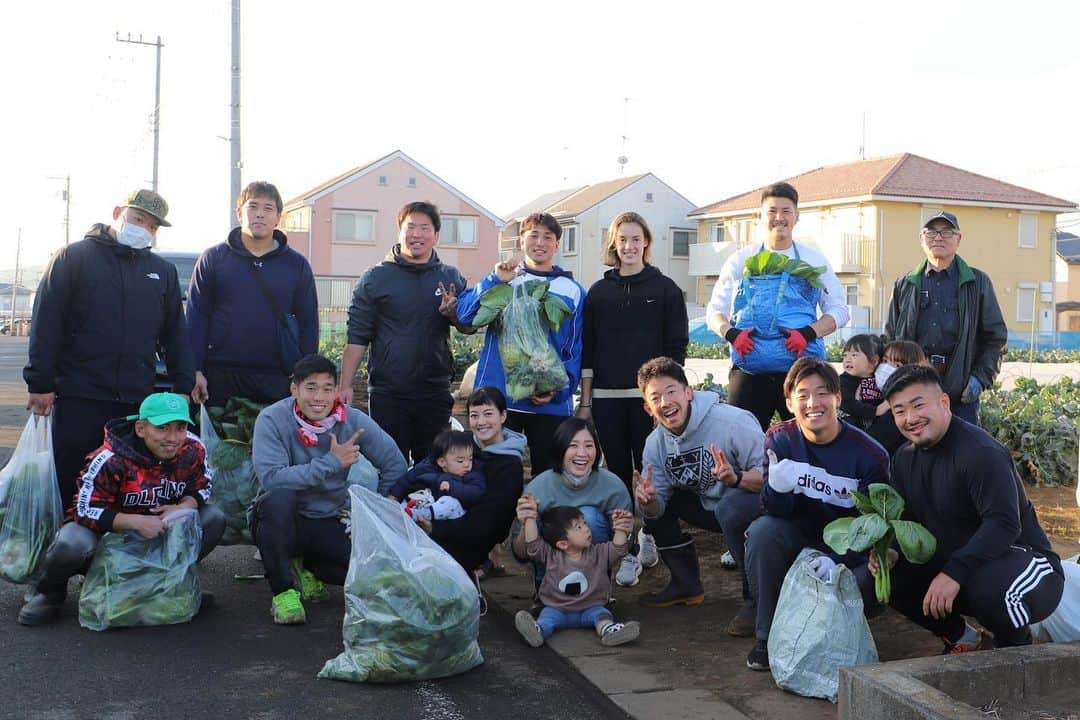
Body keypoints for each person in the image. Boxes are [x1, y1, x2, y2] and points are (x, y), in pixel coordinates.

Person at [23, 189, 194, 510]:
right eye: (138, 219)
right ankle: (70, 550)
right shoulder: (73, 258)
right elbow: (47, 324)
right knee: (73, 479)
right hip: (79, 395)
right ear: (118, 212)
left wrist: (183, 386)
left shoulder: (162, 272)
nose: (144, 229)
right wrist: (40, 382)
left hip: (135, 399)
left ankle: (118, 554)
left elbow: (175, 333)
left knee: (126, 482)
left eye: (153, 226)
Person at [876, 364, 1064, 652]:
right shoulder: (904, 457)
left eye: (918, 405)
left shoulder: (980, 453)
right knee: (891, 577)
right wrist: (890, 550)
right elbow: (908, 519)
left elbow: (1003, 525)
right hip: (964, 563)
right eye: (899, 411)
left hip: (1026, 563)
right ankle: (962, 639)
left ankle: (1016, 648)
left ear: (944, 402)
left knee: (990, 591)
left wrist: (954, 573)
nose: (910, 418)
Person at [18, 392, 225, 626]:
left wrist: (184, 506)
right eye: (162, 428)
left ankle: (170, 584)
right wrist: (134, 522)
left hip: (160, 532)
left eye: (180, 428)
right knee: (72, 542)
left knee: (213, 518)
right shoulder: (110, 458)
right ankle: (49, 592)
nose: (173, 437)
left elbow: (204, 484)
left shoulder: (193, 448)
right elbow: (83, 509)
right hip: (110, 538)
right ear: (140, 428)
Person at [742, 357, 890, 671]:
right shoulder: (779, 439)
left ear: (838, 398)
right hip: (799, 536)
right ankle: (767, 637)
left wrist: (840, 559)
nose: (813, 403)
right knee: (762, 532)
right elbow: (773, 511)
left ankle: (834, 639)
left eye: (823, 393)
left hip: (850, 549)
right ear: (789, 402)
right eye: (803, 394)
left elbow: (874, 526)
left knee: (865, 581)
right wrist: (778, 489)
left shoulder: (870, 454)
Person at [250, 354, 408, 625]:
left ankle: (307, 566)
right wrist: (331, 462)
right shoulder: (272, 419)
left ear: (337, 390)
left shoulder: (352, 421)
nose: (318, 397)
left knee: (357, 571)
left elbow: (395, 465)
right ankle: (284, 592)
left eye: (327, 388)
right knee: (278, 499)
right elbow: (272, 480)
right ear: (294, 389)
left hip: (327, 517)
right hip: (281, 519)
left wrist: (376, 511)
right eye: (310, 388)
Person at [578, 212, 688, 578]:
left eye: (636, 239)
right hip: (608, 398)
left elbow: (676, 347)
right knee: (618, 472)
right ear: (614, 244)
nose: (629, 246)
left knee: (652, 471)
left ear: (646, 243)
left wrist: (667, 399)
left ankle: (651, 533)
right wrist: (587, 401)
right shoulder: (598, 293)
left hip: (649, 403)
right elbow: (588, 351)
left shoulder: (665, 289)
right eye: (622, 239)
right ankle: (623, 546)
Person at [633, 358, 764, 633]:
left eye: (671, 391)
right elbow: (656, 511)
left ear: (688, 392)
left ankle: (756, 601)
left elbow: (772, 478)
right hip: (709, 505)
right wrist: (648, 502)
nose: (665, 401)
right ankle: (685, 584)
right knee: (655, 498)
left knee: (731, 506)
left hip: (752, 505)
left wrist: (736, 478)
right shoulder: (654, 445)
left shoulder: (733, 422)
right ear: (647, 408)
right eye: (655, 397)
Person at [338, 201, 473, 464]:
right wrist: (345, 385)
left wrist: (453, 314)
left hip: (434, 390)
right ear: (400, 231)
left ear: (436, 235)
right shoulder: (376, 278)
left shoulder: (450, 277)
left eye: (425, 228)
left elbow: (469, 326)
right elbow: (356, 337)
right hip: (389, 392)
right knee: (390, 465)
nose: (417, 234)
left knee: (433, 465)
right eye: (410, 227)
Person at [706, 182, 848, 431]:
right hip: (749, 371)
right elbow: (714, 310)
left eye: (786, 211)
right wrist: (732, 334)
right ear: (760, 217)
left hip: (801, 370)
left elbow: (839, 310)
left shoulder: (813, 260)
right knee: (740, 439)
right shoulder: (741, 260)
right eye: (772, 211)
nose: (779, 218)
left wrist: (808, 333)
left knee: (808, 439)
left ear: (797, 216)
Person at [457, 212, 585, 477]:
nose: (540, 242)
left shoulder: (571, 289)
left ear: (557, 245)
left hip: (548, 404)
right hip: (500, 400)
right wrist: (494, 280)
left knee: (549, 476)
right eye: (533, 235)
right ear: (522, 241)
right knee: (492, 476)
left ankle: (541, 520)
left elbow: (575, 348)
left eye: (547, 237)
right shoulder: (505, 279)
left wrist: (559, 391)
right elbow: (465, 316)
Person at [186, 181, 319, 406]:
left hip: (277, 376)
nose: (260, 215)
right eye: (253, 207)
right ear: (239, 213)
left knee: (274, 440)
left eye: (268, 209)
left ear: (278, 217)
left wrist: (304, 376)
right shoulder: (214, 258)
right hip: (219, 373)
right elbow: (196, 317)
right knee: (218, 440)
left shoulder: (296, 265)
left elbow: (308, 322)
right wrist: (195, 369)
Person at [884, 211, 1007, 426]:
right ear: (921, 239)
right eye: (931, 232)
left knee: (964, 453)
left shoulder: (977, 283)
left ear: (959, 239)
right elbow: (890, 338)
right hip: (913, 387)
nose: (938, 237)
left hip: (959, 390)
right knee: (914, 449)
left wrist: (979, 379)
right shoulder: (905, 284)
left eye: (947, 232)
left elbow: (996, 338)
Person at [509, 418, 632, 588]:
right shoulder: (538, 488)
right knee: (558, 520)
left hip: (594, 574)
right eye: (573, 446)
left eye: (589, 446)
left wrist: (624, 528)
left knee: (588, 516)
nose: (582, 453)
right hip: (550, 573)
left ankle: (596, 590)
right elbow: (520, 554)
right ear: (560, 448)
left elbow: (619, 550)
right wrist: (526, 523)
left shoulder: (613, 487)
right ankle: (545, 590)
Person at [420, 386, 526, 577]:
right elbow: (426, 469)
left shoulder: (510, 466)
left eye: (488, 414)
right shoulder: (462, 443)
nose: (481, 422)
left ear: (503, 416)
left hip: (468, 538)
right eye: (474, 415)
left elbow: (491, 524)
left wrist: (436, 527)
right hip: (432, 514)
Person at [513, 502, 640, 648]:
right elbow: (533, 544)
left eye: (585, 523)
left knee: (602, 616)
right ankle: (538, 631)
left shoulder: (599, 553)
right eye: (579, 527)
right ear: (563, 544)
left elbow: (618, 548)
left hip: (591, 607)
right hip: (556, 609)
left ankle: (609, 631)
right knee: (546, 618)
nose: (587, 529)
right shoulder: (551, 555)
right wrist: (530, 518)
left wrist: (620, 528)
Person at [389, 429, 486, 522]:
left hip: (452, 514)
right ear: (442, 462)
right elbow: (406, 480)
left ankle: (418, 515)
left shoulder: (472, 474)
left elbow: (476, 493)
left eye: (470, 459)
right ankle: (402, 514)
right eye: (460, 461)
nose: (467, 464)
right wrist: (394, 495)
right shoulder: (426, 467)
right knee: (406, 501)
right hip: (426, 503)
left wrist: (452, 487)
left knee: (450, 502)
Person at [840, 334, 906, 454]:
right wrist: (876, 411)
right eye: (845, 355)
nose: (847, 359)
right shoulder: (845, 380)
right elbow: (847, 403)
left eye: (854, 355)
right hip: (851, 425)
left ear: (874, 361)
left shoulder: (880, 379)